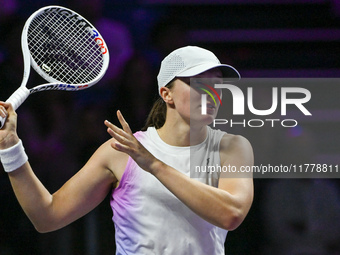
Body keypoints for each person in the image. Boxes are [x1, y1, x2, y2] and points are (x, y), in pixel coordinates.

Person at [0, 46, 254, 254]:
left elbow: (231, 214)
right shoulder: (121, 152)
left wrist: (154, 165)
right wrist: (10, 148)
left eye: (218, 84)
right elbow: (48, 216)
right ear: (167, 94)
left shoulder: (231, 147)